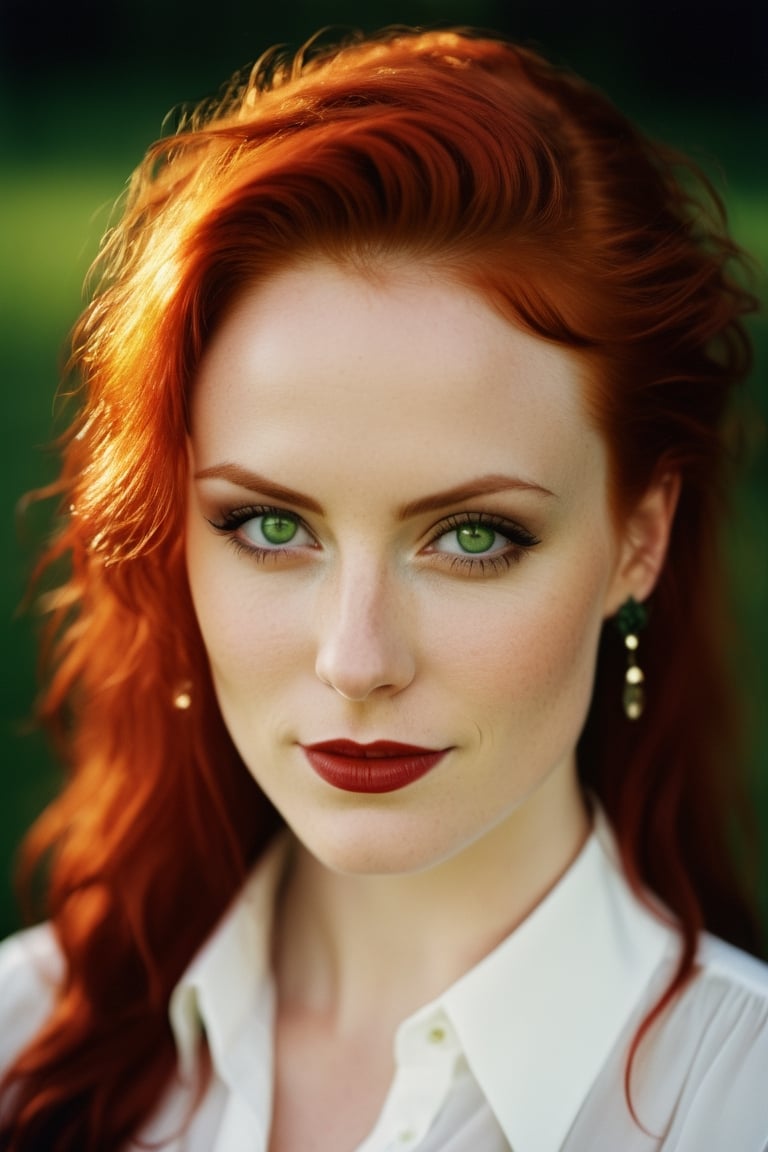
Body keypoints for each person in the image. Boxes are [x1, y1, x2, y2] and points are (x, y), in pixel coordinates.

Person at [0, 25, 766, 1152]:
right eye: (269, 526)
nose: (357, 660)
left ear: (638, 541)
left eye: (471, 537)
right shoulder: (23, 1044)